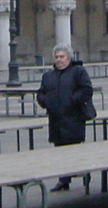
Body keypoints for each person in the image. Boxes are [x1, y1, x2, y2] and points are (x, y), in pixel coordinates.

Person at [36, 44, 93, 192]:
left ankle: (80, 172)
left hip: (73, 117)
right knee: (59, 150)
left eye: (62, 56)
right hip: (55, 119)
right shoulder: (48, 75)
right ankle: (63, 180)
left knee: (74, 149)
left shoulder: (78, 71)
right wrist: (45, 101)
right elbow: (41, 93)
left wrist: (72, 101)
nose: (59, 59)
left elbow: (86, 89)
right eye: (56, 57)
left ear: (69, 58)